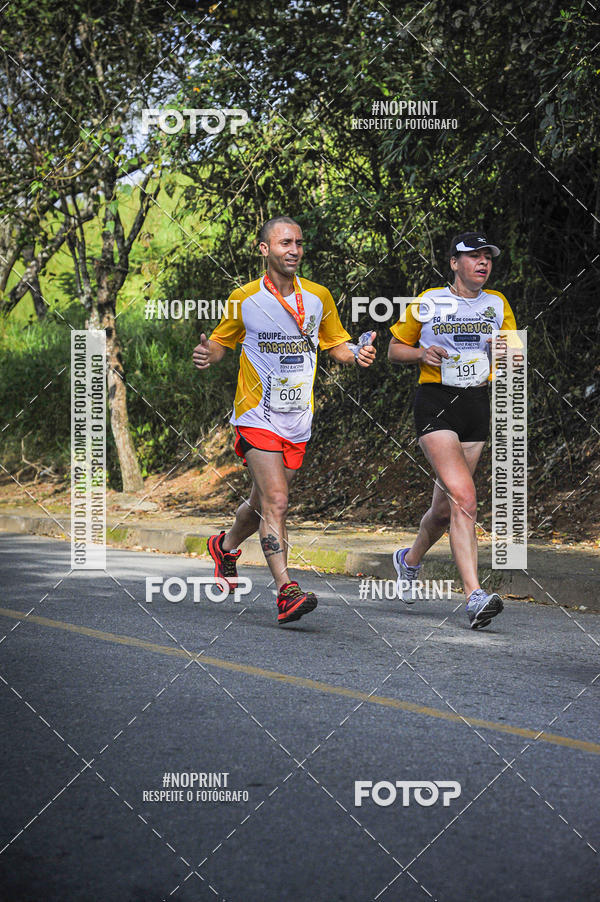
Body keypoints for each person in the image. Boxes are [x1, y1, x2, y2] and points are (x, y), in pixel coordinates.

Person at [193, 215, 376, 624]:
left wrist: (356, 354)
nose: (293, 250)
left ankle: (223, 547)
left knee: (261, 503)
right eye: (283, 243)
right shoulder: (244, 297)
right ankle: (286, 591)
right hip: (256, 413)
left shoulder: (318, 296)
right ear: (264, 249)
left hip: (297, 418)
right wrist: (209, 354)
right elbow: (222, 343)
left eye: (298, 243)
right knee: (277, 500)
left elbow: (335, 343)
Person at [388, 232, 517, 629]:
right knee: (465, 499)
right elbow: (395, 350)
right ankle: (475, 596)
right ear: (454, 263)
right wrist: (421, 352)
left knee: (444, 511)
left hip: (476, 406)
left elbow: (515, 355)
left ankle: (408, 561)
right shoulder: (429, 301)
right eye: (473, 256)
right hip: (436, 403)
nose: (482, 262)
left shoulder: (497, 304)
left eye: (487, 257)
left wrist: (507, 352)